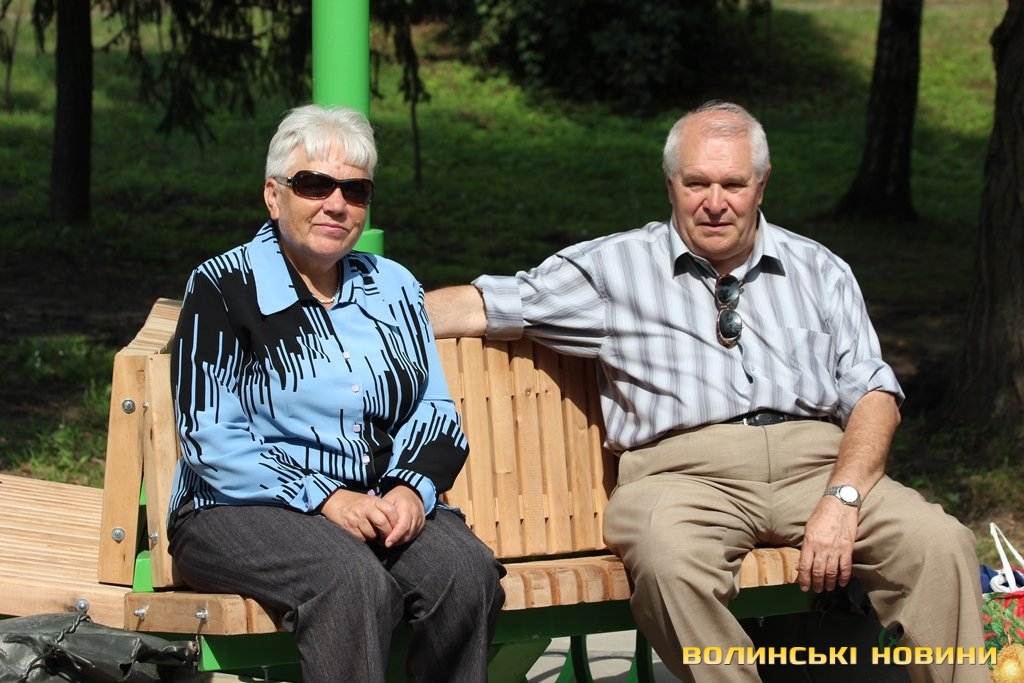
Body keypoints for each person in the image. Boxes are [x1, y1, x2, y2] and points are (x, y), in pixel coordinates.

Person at [425, 100, 986, 683]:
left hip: (818, 471)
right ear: (670, 183)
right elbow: (482, 305)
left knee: (939, 542)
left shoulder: (820, 269)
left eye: (733, 184)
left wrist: (843, 498)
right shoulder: (613, 268)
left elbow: (874, 395)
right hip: (683, 480)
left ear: (761, 185)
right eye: (696, 183)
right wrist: (372, 308)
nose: (714, 202)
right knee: (668, 559)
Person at [166, 104, 505, 683]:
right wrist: (326, 498)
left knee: (464, 571)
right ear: (274, 196)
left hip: (374, 502)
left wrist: (410, 489)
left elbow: (433, 410)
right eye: (314, 184)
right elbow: (208, 436)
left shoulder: (393, 285)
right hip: (236, 509)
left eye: (355, 189)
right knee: (350, 582)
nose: (336, 203)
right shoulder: (224, 287)